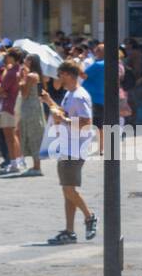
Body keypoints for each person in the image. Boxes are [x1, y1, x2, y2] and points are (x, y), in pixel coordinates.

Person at [38, 59, 97, 244]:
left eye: (61, 74)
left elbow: (86, 124)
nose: (59, 78)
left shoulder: (79, 96)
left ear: (69, 75)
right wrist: (49, 102)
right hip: (66, 146)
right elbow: (63, 113)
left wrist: (63, 120)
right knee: (67, 191)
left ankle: (89, 216)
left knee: (70, 190)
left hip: (74, 148)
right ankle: (70, 231)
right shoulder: (70, 94)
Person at [0, 47, 24, 173]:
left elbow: (0, 89)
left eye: (8, 55)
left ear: (13, 57)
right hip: (17, 105)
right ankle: (18, 160)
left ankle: (13, 163)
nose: (6, 58)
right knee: (15, 135)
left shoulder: (11, 72)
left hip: (8, 106)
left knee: (9, 137)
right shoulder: (21, 71)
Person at [16, 54, 46, 176]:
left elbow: (24, 93)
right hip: (34, 107)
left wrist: (20, 79)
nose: (24, 61)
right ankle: (35, 165)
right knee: (34, 135)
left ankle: (37, 166)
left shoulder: (31, 76)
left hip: (30, 108)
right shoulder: (36, 75)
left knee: (32, 135)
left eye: (27, 59)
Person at [83, 43, 106, 155]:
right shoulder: (111, 64)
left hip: (94, 98)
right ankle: (101, 147)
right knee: (100, 124)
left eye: (97, 50)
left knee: (92, 123)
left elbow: (84, 75)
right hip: (103, 97)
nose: (95, 52)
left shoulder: (97, 65)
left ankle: (93, 147)